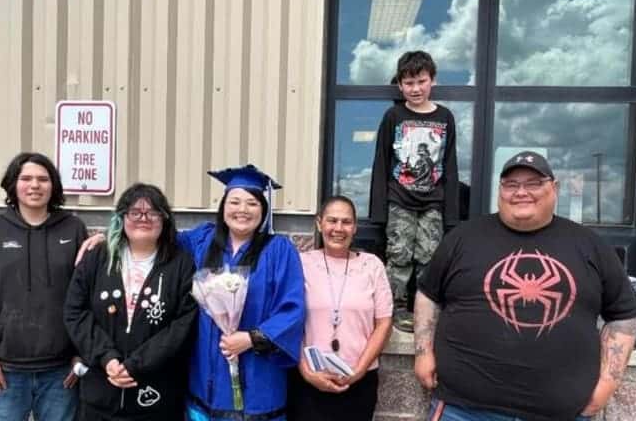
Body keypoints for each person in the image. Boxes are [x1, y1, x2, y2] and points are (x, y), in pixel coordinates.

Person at [413, 151, 636, 421]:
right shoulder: (463, 237)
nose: (521, 192)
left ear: (554, 188)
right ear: (500, 190)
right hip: (463, 408)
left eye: (533, 183)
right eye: (511, 184)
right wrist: (423, 352)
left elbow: (624, 314)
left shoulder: (590, 244)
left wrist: (608, 384)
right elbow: (428, 294)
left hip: (561, 413)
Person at [76, 164, 306, 421]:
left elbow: (292, 308)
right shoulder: (202, 241)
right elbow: (152, 234)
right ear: (223, 207)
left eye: (252, 203)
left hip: (257, 376)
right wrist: (110, 236)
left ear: (263, 210)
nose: (242, 210)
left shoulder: (280, 250)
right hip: (203, 379)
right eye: (235, 202)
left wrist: (252, 338)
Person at [0, 152, 88, 421]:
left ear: (53, 186)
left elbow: (87, 298)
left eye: (43, 179)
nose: (35, 185)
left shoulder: (73, 229)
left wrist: (80, 356)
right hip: (5, 374)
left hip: (61, 375)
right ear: (13, 185)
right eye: (26, 178)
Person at [64, 183, 198, 420]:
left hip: (156, 396)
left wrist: (136, 364)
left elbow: (182, 324)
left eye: (153, 212)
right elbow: (75, 312)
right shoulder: (98, 258)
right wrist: (107, 358)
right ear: (122, 217)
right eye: (135, 212)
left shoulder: (181, 264)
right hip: (100, 394)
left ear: (164, 219)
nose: (143, 218)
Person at [369, 50, 459, 332]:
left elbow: (450, 164)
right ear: (400, 85)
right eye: (409, 83)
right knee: (399, 255)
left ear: (432, 80)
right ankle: (394, 309)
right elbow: (382, 161)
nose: (416, 88)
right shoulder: (394, 115)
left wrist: (451, 211)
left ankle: (424, 308)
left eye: (421, 81)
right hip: (399, 200)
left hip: (433, 201)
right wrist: (379, 210)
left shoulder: (445, 117)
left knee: (430, 257)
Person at [288, 195, 393, 421]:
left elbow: (384, 323)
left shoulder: (371, 265)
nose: (338, 228)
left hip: (358, 382)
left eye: (346, 222)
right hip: (308, 382)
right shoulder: (301, 263)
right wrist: (305, 371)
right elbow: (287, 320)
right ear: (319, 223)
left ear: (355, 227)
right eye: (332, 220)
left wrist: (358, 371)